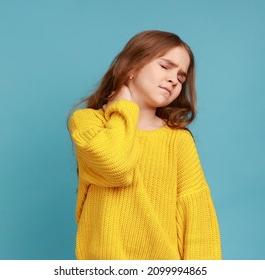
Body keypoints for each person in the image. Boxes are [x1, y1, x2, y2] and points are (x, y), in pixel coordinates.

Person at [68, 30, 222, 260]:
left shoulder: (177, 140)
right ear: (131, 67)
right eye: (165, 66)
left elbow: (198, 218)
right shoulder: (89, 122)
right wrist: (125, 109)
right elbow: (116, 167)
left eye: (181, 77)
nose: (174, 79)